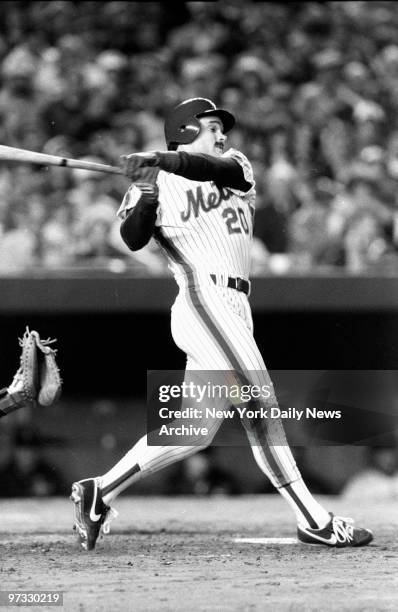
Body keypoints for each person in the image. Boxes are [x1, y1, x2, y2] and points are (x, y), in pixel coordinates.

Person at [70, 98, 373, 551]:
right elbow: (132, 239)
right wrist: (149, 190)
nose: (222, 134)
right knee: (260, 405)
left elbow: (210, 168)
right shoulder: (152, 185)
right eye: (211, 126)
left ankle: (100, 491)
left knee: (194, 429)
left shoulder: (234, 165)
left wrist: (163, 160)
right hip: (202, 299)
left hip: (235, 305)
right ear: (186, 129)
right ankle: (314, 519)